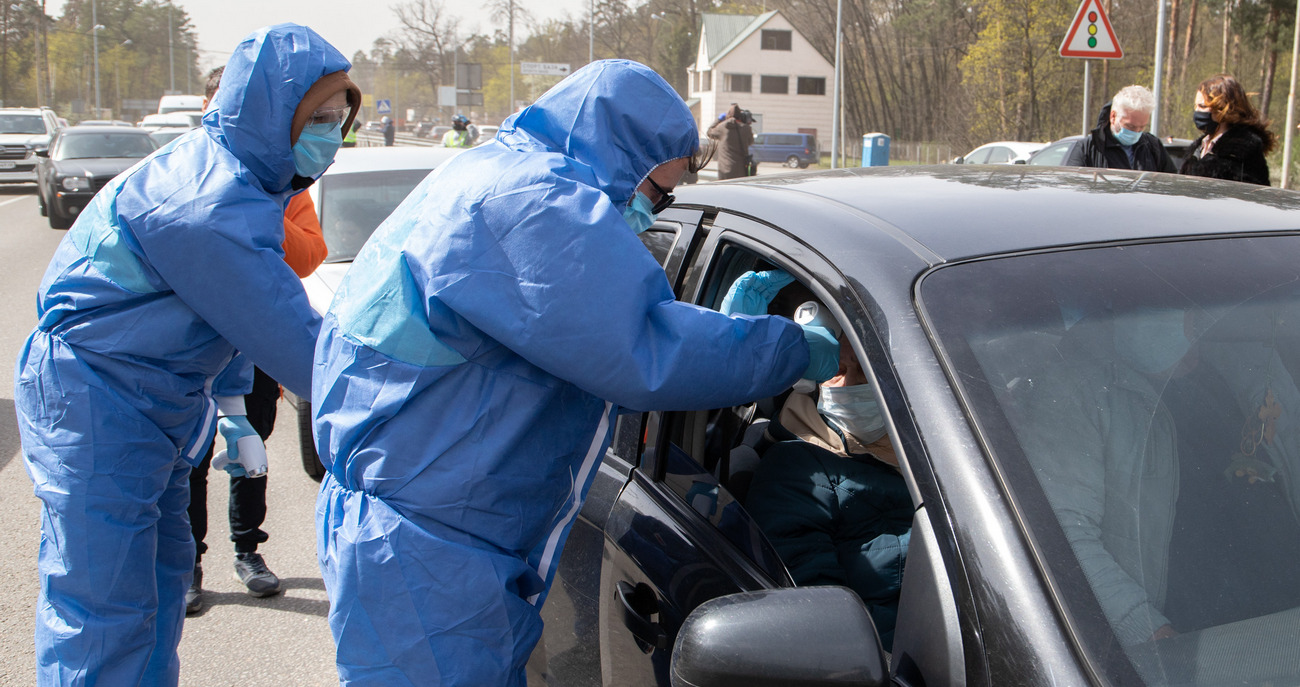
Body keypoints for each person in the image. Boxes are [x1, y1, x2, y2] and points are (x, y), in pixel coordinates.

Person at [313, 59, 839, 686]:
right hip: (429, 549)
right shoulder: (533, 203)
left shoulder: (499, 174)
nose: (656, 208)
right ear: (621, 157)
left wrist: (719, 330)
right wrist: (791, 349)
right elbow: (642, 349)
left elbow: (584, 327)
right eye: (660, 191)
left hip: (427, 523)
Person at [14, 23, 358, 686]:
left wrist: (229, 403)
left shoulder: (246, 180)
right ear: (269, 114)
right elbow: (290, 337)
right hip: (97, 398)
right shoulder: (208, 202)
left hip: (152, 399)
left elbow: (215, 314)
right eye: (316, 118)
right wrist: (416, 391)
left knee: (162, 578)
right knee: (103, 603)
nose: (331, 135)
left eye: (339, 119)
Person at [184, 65, 331, 615]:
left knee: (251, 451)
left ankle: (248, 551)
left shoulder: (284, 181)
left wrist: (261, 206)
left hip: (256, 344)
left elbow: (310, 254)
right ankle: (189, 565)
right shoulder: (187, 175)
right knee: (192, 458)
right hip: (195, 347)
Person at [734, 287, 912, 651]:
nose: (847, 384)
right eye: (838, 370)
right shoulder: (797, 470)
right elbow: (817, 619)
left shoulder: (945, 444)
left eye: (865, 372)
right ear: (813, 377)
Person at [1180, 74, 1275, 186]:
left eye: (1202, 106)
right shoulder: (1198, 147)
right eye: (1195, 106)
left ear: (1223, 108)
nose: (1197, 111)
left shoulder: (1243, 151)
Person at [1064, 85, 1176, 173]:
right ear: (1113, 116)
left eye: (1142, 127)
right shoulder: (1088, 149)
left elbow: (1170, 186)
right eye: (1130, 126)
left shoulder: (1153, 147)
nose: (1136, 132)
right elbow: (1073, 191)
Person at [707, 103, 754, 180]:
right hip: (741, 171)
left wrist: (719, 119)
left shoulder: (722, 127)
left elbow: (709, 132)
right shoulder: (746, 128)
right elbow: (751, 142)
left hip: (724, 170)